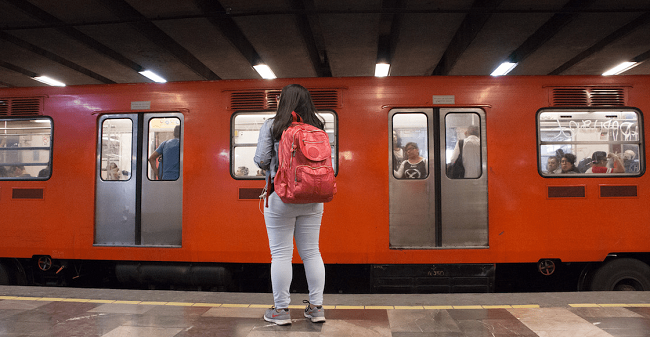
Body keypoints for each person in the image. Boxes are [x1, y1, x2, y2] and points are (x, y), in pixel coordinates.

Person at [253, 84, 327, 326]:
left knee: (281, 254)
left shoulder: (272, 125)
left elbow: (262, 160)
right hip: (314, 197)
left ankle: (281, 311)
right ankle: (316, 309)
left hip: (281, 196)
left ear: (282, 101)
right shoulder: (319, 125)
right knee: (312, 252)